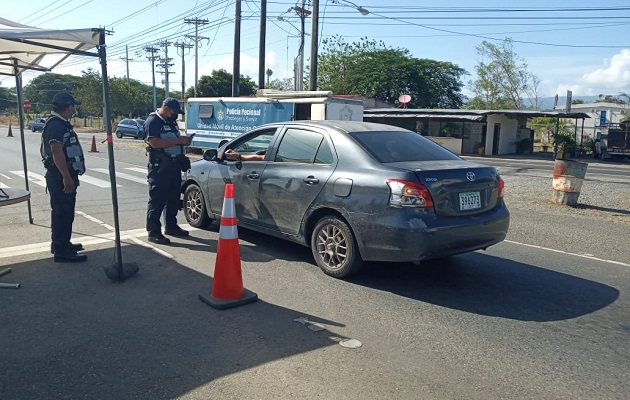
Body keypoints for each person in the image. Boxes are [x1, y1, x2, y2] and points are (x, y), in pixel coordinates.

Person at [40, 92, 87, 262]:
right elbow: (56, 150)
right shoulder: (56, 124)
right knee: (63, 212)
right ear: (67, 106)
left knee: (63, 212)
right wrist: (66, 177)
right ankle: (61, 250)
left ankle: (61, 243)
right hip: (60, 176)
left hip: (63, 174)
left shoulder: (61, 123)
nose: (74, 109)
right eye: (73, 106)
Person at [144, 98, 193, 245]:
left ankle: (171, 226)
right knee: (157, 200)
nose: (175, 115)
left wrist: (184, 141)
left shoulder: (171, 122)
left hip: (174, 165)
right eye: (173, 112)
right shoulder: (154, 121)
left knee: (172, 199)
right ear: (166, 108)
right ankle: (153, 232)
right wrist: (178, 141)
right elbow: (154, 142)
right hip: (160, 167)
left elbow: (174, 140)